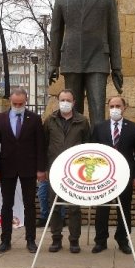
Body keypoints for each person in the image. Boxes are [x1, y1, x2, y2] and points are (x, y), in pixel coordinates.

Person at [48, 0, 123, 127]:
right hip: (71, 58)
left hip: (98, 58)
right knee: (73, 110)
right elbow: (56, 32)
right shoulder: (62, 0)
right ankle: (76, 148)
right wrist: (54, 63)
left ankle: (98, 147)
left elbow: (114, 33)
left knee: (98, 108)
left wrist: (117, 66)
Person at [0, 88, 46, 254]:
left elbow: (40, 146)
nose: (17, 106)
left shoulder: (35, 119)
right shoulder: (0, 119)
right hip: (6, 167)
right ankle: (5, 240)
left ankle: (30, 239)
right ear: (10, 100)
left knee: (29, 204)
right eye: (14, 103)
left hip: (28, 168)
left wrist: (41, 169)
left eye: (20, 104)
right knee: (7, 204)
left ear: (26, 100)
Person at [91, 96, 135, 254]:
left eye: (118, 106)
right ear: (108, 107)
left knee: (124, 209)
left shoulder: (133, 127)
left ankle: (122, 239)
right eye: (112, 105)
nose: (115, 108)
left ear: (124, 107)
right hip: (104, 176)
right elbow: (92, 151)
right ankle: (100, 240)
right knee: (102, 209)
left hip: (125, 176)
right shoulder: (99, 127)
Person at [44, 89, 91, 253]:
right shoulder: (50, 120)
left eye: (68, 100)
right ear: (58, 101)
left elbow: (87, 146)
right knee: (54, 206)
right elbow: (44, 144)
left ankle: (74, 240)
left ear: (73, 102)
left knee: (74, 207)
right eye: (62, 99)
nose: (65, 102)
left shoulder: (82, 121)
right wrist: (44, 168)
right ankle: (56, 239)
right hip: (54, 169)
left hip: (75, 171)